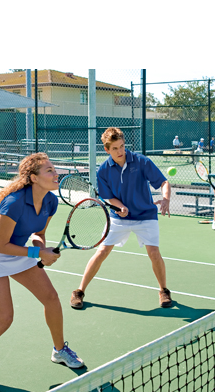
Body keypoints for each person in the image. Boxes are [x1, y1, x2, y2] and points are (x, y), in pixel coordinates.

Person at [0, 153, 84, 389]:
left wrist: (41, 249)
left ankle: (59, 350)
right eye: (49, 170)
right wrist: (38, 254)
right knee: (4, 318)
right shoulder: (14, 203)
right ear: (34, 178)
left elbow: (38, 233)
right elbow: (0, 246)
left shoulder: (50, 201)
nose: (56, 174)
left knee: (51, 298)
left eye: (54, 169)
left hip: (17, 250)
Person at [70, 127, 173, 310]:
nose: (120, 151)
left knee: (154, 253)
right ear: (107, 150)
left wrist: (165, 199)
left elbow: (163, 182)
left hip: (146, 215)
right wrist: (120, 207)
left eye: (122, 146)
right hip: (118, 219)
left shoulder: (141, 161)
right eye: (115, 148)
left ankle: (164, 290)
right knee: (102, 252)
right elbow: (109, 197)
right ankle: (79, 291)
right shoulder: (103, 170)